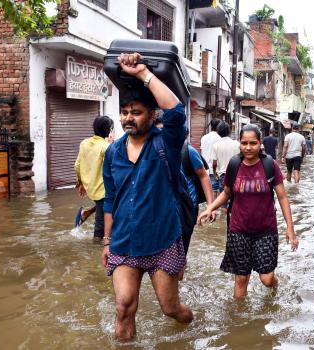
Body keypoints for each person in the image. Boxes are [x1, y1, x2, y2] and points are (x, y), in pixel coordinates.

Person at [101, 52, 193, 341]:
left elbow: (177, 112)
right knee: (124, 307)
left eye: (136, 112)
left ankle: (194, 327)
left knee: (170, 309)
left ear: (152, 115)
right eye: (125, 112)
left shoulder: (165, 142)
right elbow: (110, 199)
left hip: (162, 241)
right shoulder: (113, 152)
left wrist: (143, 73)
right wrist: (106, 241)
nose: (129, 117)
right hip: (124, 243)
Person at [197, 124, 299, 300]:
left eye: (253, 143)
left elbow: (282, 197)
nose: (248, 147)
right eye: (244, 143)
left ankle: (275, 287)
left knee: (266, 279)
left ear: (260, 143)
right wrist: (210, 208)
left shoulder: (270, 165)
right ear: (240, 144)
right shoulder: (234, 164)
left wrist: (290, 228)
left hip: (266, 231)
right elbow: (227, 192)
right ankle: (238, 321)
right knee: (241, 278)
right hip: (238, 230)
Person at [154, 118, 217, 257]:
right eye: (158, 132)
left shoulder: (187, 151)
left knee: (181, 252)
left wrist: (210, 206)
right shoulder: (149, 153)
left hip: (185, 208)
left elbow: (203, 176)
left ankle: (180, 272)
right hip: (159, 209)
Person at [74, 116, 114, 242]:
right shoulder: (106, 147)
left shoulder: (84, 143)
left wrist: (80, 183)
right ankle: (96, 245)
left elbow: (77, 165)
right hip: (103, 189)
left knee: (110, 207)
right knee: (100, 224)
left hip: (90, 186)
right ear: (108, 130)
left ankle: (86, 213)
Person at [211, 121, 240, 211]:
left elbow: (214, 163)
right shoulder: (237, 144)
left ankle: (224, 222)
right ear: (229, 131)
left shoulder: (216, 145)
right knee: (236, 201)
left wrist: (215, 173)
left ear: (218, 132)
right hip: (237, 175)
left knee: (224, 203)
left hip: (223, 176)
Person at [200, 119, 222, 194]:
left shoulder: (204, 138)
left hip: (204, 168)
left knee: (207, 191)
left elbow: (202, 152)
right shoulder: (219, 138)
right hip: (214, 169)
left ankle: (209, 205)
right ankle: (213, 205)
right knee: (214, 190)